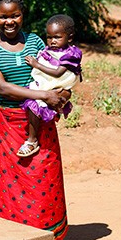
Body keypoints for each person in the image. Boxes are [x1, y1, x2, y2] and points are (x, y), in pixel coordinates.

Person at [0, 0, 69, 240]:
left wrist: (61, 93)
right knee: (6, 184)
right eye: (3, 17)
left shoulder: (37, 42)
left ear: (22, 15)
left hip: (38, 123)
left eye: (14, 16)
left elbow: (55, 74)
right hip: (7, 124)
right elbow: (3, 87)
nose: (9, 22)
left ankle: (44, 238)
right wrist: (44, 96)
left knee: (42, 179)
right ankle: (8, 238)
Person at [18, 14, 82, 157]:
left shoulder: (70, 54)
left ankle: (32, 140)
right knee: (35, 100)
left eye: (57, 37)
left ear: (69, 37)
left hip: (58, 81)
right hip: (50, 82)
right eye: (49, 37)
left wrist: (36, 64)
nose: (52, 41)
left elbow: (58, 73)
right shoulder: (52, 50)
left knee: (36, 102)